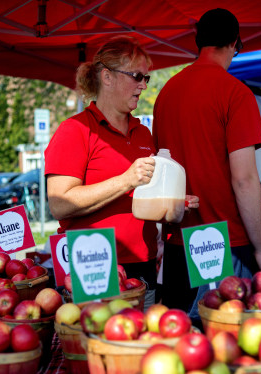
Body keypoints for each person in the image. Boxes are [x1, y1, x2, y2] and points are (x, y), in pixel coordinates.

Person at [44, 36, 198, 311]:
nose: (143, 85)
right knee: (96, 345)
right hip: (92, 263)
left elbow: (141, 197)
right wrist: (126, 180)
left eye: (146, 79)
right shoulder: (76, 130)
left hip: (143, 266)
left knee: (137, 346)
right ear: (107, 77)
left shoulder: (143, 133)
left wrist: (174, 203)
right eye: (137, 76)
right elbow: (59, 203)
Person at [152, 8, 261, 321]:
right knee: (227, 351)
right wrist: (260, 249)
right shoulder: (235, 93)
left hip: (179, 244)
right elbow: (243, 179)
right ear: (234, 43)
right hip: (227, 246)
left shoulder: (166, 94)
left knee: (181, 351)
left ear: (199, 42)